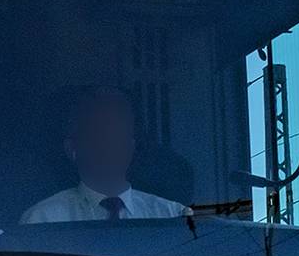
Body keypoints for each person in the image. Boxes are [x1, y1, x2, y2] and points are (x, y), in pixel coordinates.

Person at [21, 86, 191, 223]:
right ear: (72, 148)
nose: (109, 145)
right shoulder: (43, 218)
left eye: (118, 135)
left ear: (131, 146)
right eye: (98, 135)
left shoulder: (173, 216)